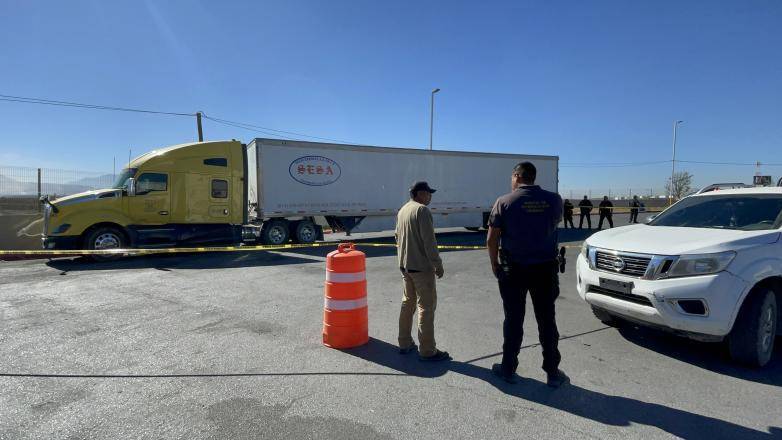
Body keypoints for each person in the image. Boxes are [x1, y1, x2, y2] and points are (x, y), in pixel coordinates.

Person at [486, 162, 569, 387]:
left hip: (514, 271)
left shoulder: (504, 202)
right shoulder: (555, 200)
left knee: (513, 320)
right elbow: (552, 225)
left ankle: (508, 369)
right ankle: (552, 372)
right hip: (545, 270)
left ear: (516, 176)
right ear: (533, 177)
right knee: (547, 320)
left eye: (512, 177)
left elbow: (492, 239)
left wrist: (494, 264)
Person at [395, 181, 450, 362]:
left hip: (405, 266)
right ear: (419, 193)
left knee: (408, 303)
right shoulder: (422, 210)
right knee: (426, 307)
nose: (430, 196)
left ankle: (404, 343)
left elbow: (396, 236)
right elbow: (429, 241)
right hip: (420, 268)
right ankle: (427, 350)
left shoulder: (403, 210)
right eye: (428, 193)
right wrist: (437, 264)